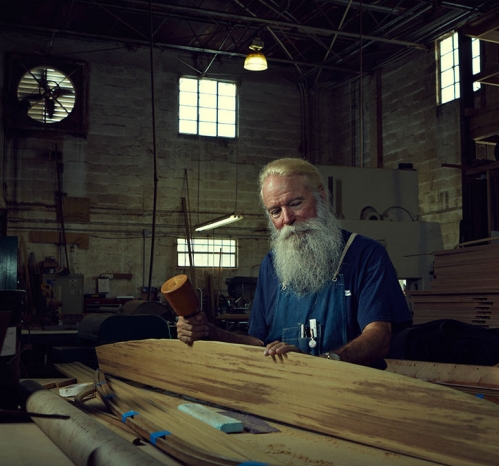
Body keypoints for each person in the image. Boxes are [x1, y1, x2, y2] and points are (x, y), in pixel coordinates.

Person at [175, 158, 412, 369]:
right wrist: (209, 332)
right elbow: (259, 342)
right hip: (289, 393)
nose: (287, 219)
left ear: (322, 196)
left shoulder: (366, 255)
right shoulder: (272, 264)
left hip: (353, 393)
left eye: (296, 203)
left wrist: (320, 365)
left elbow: (379, 336)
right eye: (276, 211)